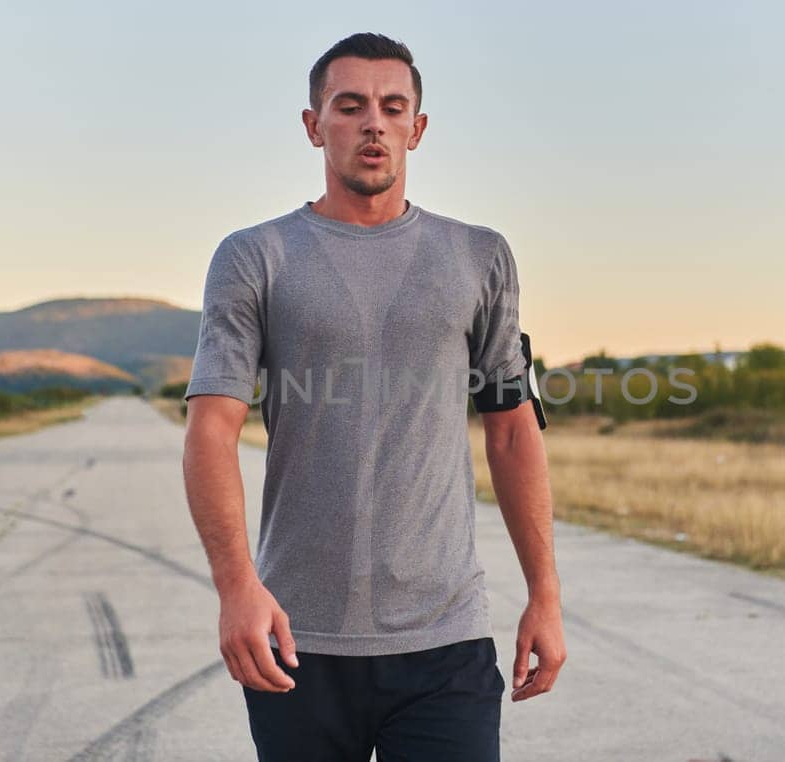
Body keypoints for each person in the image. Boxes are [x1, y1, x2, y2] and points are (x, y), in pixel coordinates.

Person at [180, 32, 565, 762]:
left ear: (417, 128)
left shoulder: (480, 257)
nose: (373, 124)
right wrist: (236, 588)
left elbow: (513, 430)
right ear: (312, 124)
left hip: (445, 642)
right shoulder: (254, 257)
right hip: (296, 640)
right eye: (349, 106)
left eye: (393, 108)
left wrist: (544, 593)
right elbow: (210, 432)